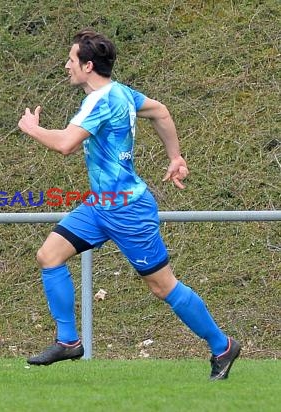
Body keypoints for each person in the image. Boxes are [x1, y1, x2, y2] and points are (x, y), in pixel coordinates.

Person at [18, 28, 240, 380]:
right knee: (49, 255)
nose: (66, 66)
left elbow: (66, 144)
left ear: (88, 66)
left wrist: (32, 128)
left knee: (163, 286)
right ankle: (69, 341)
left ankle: (222, 346)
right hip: (100, 207)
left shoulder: (100, 101)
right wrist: (175, 156)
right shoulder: (122, 93)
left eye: (71, 60)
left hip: (127, 210)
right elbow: (161, 112)